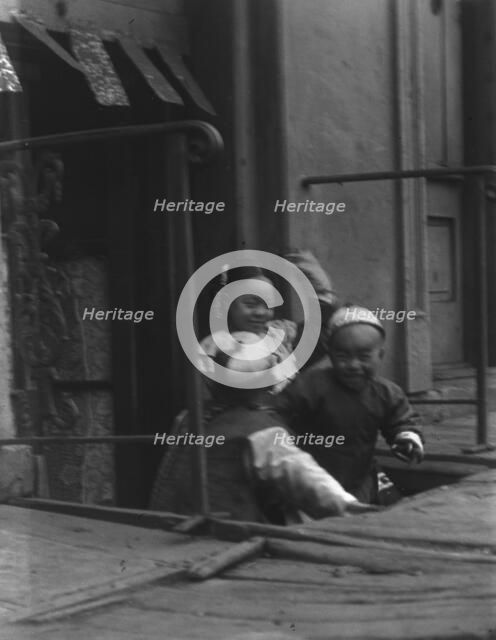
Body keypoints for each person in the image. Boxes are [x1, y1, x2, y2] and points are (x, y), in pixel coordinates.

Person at [150, 332, 376, 522]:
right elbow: (311, 484)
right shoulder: (262, 431)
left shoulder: (188, 418)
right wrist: (357, 512)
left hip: (168, 527)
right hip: (225, 534)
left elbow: (166, 481)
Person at [275, 305, 424, 503]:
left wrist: (406, 437)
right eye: (343, 356)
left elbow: (401, 420)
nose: (353, 365)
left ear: (380, 355)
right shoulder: (311, 385)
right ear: (330, 353)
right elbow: (278, 413)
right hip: (312, 478)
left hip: (359, 478)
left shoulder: (386, 393)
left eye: (363, 357)